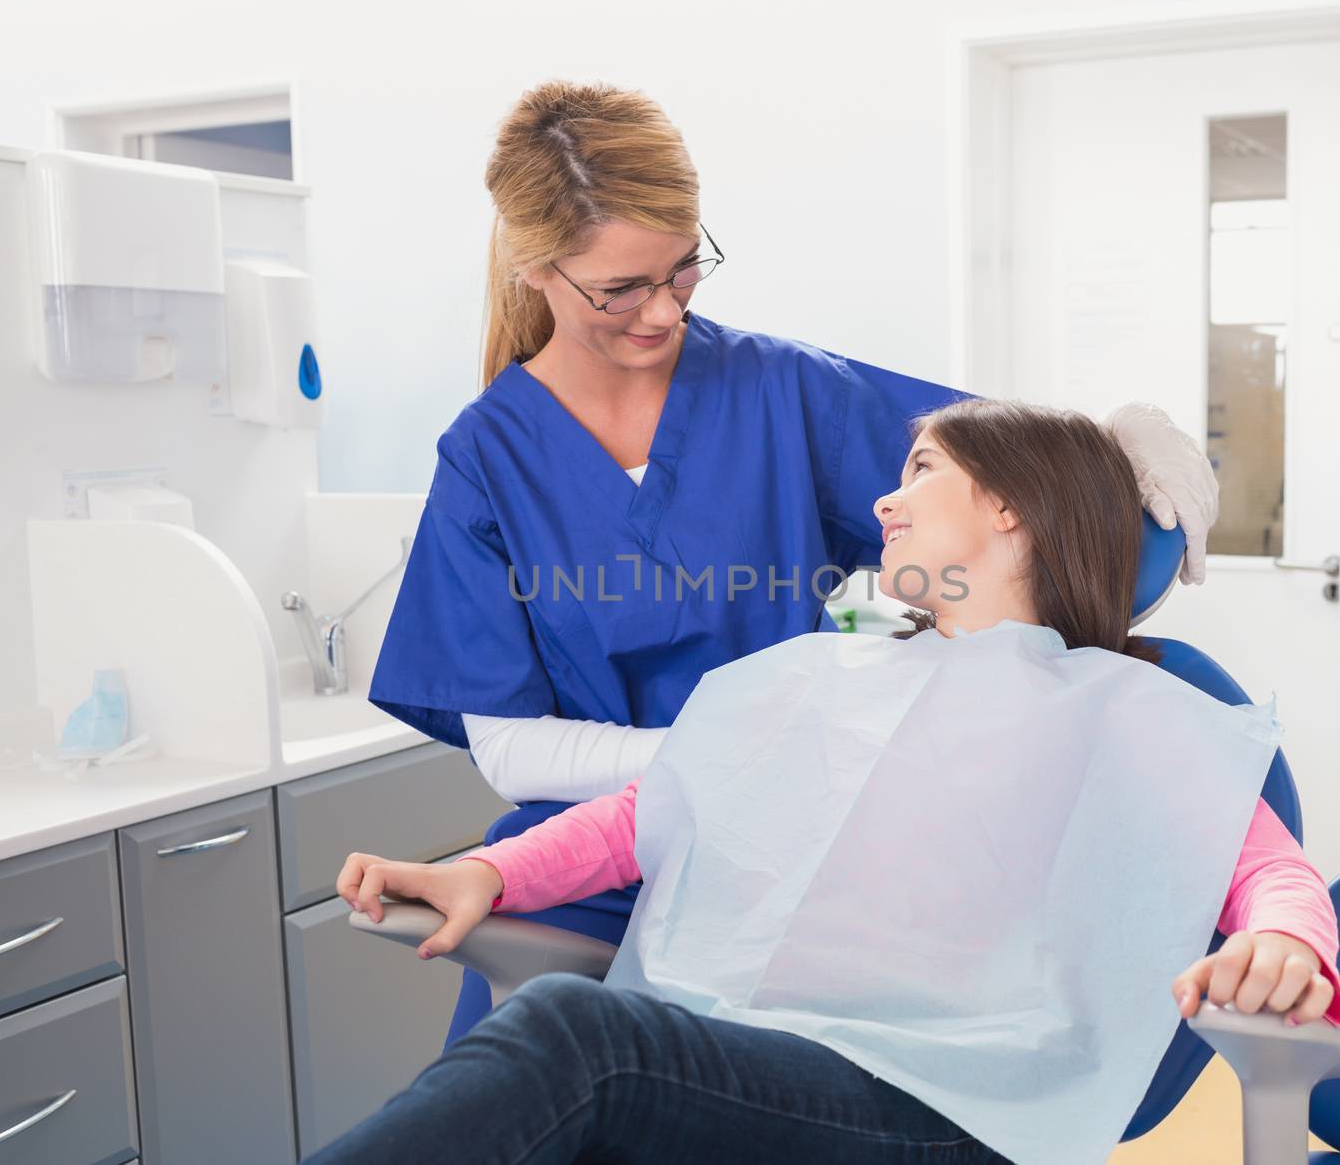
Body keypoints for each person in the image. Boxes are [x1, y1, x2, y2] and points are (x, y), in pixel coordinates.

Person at [365, 79, 1222, 1043]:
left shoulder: (780, 393)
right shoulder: (488, 459)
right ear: (534, 268)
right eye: (620, 289)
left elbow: (1018, 512)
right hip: (595, 856)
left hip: (794, 857)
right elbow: (512, 746)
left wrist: (1127, 454)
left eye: (685, 270)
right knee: (516, 1081)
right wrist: (748, 755)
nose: (662, 312)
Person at [318, 399, 1340, 1165]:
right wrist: (486, 874)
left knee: (569, 1031)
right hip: (775, 1066)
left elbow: (1269, 868)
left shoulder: (1121, 708)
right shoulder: (854, 673)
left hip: (948, 1101)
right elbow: (662, 809)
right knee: (571, 1039)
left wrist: (1283, 942)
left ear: (1004, 505)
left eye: (921, 468)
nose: (884, 498)